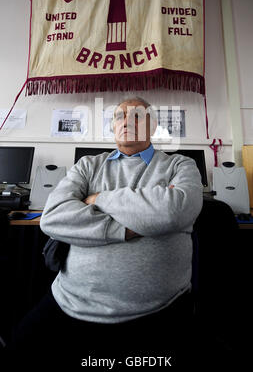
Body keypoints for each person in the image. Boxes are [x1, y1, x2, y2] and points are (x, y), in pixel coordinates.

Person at [3, 96, 203, 369]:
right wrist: (124, 227)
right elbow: (52, 217)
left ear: (153, 125)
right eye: (120, 116)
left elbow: (174, 210)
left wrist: (97, 199)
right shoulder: (88, 165)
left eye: (136, 116)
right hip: (71, 301)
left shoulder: (180, 165)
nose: (126, 122)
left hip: (156, 311)